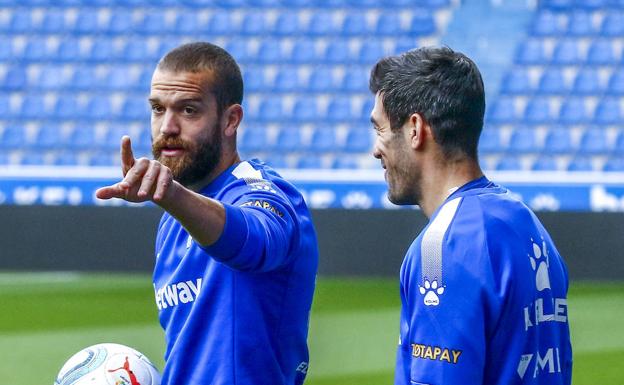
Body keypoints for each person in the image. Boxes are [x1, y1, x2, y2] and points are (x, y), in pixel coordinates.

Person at [96, 42, 318, 385]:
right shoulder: (172, 219)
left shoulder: (263, 191)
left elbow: (256, 241)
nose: (167, 126)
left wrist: (173, 196)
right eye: (158, 109)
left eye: (188, 111)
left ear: (231, 120)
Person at [368, 46, 572, 385]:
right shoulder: (528, 225)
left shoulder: (441, 248)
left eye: (380, 129)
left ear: (415, 129)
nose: (376, 148)